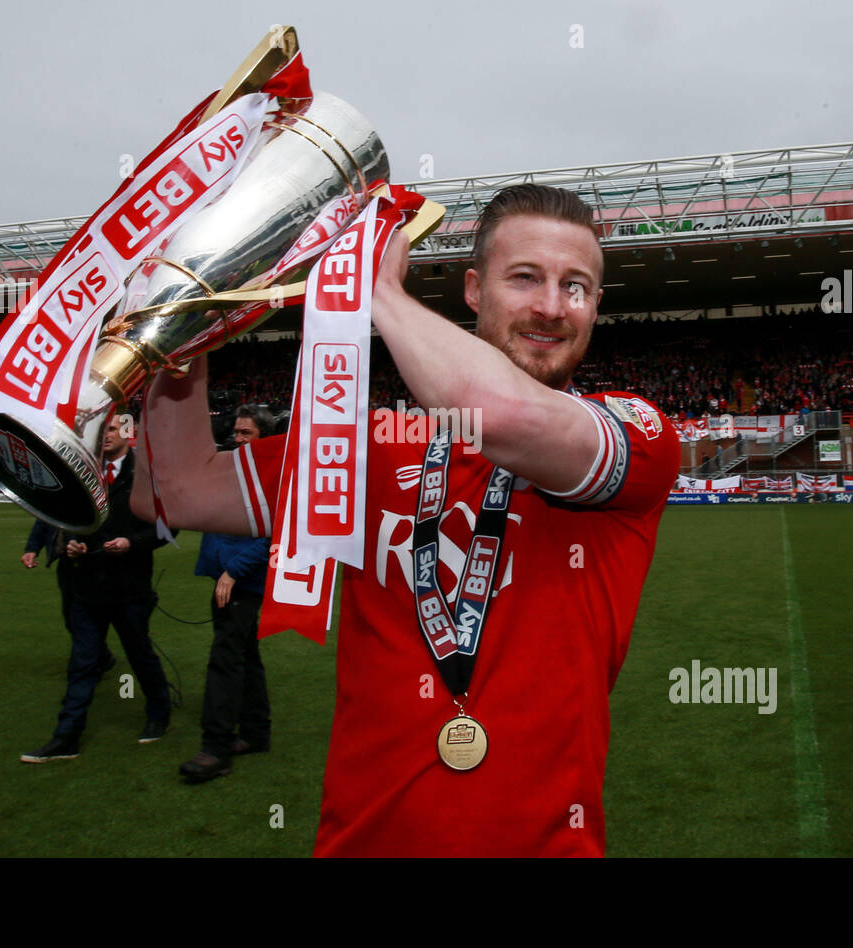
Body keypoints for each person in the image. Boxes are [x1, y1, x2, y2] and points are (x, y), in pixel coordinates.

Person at [134, 184, 680, 855]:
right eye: (526, 278)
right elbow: (177, 491)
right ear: (475, 291)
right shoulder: (369, 445)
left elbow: (502, 416)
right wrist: (178, 332)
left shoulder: (639, 435)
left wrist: (380, 294)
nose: (550, 305)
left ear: (596, 306)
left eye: (576, 286)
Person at [21, 416, 174, 762]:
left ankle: (159, 713)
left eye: (111, 429)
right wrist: (71, 543)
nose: (104, 435)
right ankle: (67, 736)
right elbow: (67, 518)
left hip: (130, 588)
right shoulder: (83, 471)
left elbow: (168, 530)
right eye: (101, 429)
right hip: (85, 586)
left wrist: (131, 543)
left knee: (140, 656)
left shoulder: (147, 475)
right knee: (83, 663)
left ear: (128, 433)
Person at [179, 405, 275, 783]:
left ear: (264, 438)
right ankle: (255, 733)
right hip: (228, 577)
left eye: (246, 433)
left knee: (225, 658)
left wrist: (233, 570)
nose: (237, 438)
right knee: (245, 656)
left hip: (241, 581)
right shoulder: (234, 468)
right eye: (236, 431)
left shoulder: (269, 475)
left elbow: (275, 532)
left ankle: (216, 748)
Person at [22, 518, 117, 677]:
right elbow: (43, 519)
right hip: (66, 563)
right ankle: (101, 656)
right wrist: (32, 549)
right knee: (70, 616)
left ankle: (89, 667)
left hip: (94, 559)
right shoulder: (55, 497)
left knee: (88, 616)